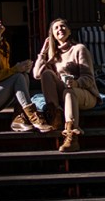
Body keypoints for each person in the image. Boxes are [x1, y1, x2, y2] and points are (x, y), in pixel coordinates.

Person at [0, 16, 54, 133]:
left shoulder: (4, 45)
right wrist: (16, 69)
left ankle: (19, 118)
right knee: (18, 76)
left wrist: (22, 68)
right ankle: (33, 117)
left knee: (22, 75)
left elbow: (6, 75)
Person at [32, 18, 100, 152]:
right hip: (64, 95)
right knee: (46, 74)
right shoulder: (53, 54)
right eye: (56, 28)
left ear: (69, 31)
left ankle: (72, 135)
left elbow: (89, 78)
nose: (60, 30)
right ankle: (55, 115)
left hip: (85, 94)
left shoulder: (79, 49)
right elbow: (36, 75)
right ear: (52, 35)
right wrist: (43, 53)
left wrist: (75, 83)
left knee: (69, 92)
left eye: (63, 26)